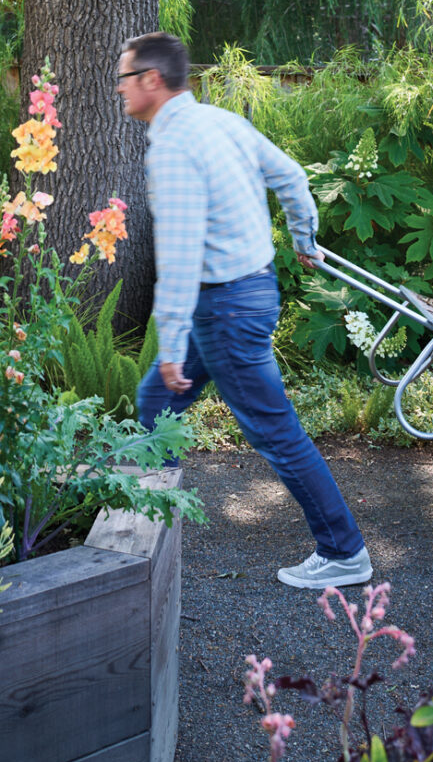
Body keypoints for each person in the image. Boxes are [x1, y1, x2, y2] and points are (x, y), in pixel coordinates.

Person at [118, 32, 371, 589]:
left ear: (151, 81)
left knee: (275, 432)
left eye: (124, 79)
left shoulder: (174, 148)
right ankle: (135, 535)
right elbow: (292, 178)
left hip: (224, 309)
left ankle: (343, 550)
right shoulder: (222, 123)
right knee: (158, 402)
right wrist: (304, 239)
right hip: (248, 292)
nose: (120, 90)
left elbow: (181, 254)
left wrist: (173, 337)